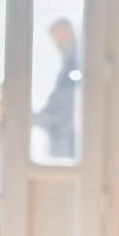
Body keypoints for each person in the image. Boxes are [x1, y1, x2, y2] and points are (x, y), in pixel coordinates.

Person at [35, 18, 80, 160]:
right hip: (63, 138)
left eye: (59, 38)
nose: (56, 43)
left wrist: (43, 118)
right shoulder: (69, 62)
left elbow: (65, 100)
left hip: (68, 139)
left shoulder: (76, 63)